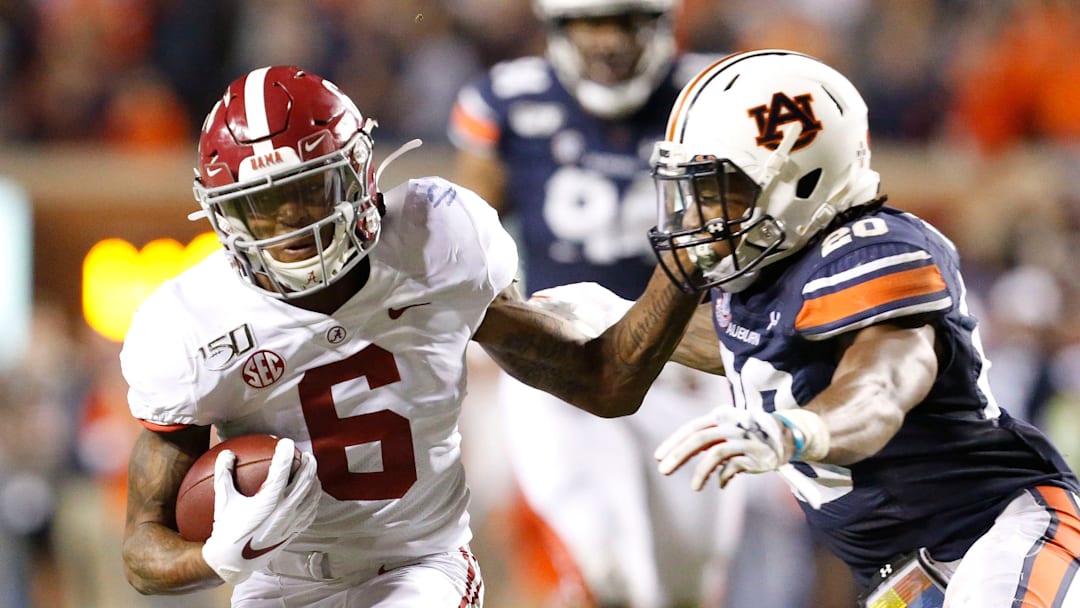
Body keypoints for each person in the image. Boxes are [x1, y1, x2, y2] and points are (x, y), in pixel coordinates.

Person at [118, 65, 703, 608]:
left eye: (310, 190)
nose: (293, 223)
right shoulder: (191, 325)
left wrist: (683, 266)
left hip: (419, 565)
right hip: (277, 582)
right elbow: (143, 554)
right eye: (264, 206)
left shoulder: (434, 240)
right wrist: (216, 557)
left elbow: (602, 382)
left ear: (359, 174)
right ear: (225, 214)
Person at [641, 49, 1080, 606]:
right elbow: (735, 349)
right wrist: (590, 312)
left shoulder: (877, 250)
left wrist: (792, 433)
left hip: (1000, 535)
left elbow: (881, 387)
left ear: (797, 181)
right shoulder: (759, 291)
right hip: (908, 579)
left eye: (717, 190)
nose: (697, 216)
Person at [448, 0, 743, 605]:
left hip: (685, 366)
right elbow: (474, 238)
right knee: (613, 577)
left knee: (690, 585)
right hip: (571, 356)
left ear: (659, 24)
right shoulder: (509, 101)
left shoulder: (717, 97)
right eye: (591, 23)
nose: (608, 42)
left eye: (625, 23)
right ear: (559, 28)